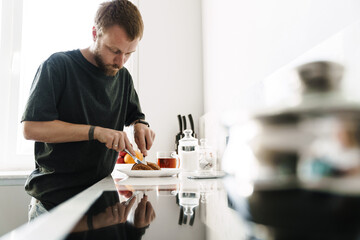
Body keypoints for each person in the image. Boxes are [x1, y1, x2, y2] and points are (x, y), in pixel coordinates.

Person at [22, 0, 155, 220]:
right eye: (114, 51)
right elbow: (31, 128)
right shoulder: (58, 66)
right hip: (53, 206)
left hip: (102, 205)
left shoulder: (123, 77)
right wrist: (95, 132)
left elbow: (135, 116)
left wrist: (141, 125)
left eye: (129, 53)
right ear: (95, 33)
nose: (121, 62)